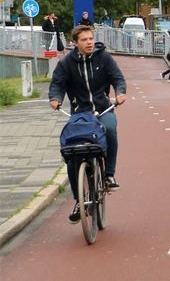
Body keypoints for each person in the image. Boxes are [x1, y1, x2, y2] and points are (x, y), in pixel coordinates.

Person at [48, 25, 127, 222]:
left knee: (109, 128)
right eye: (84, 40)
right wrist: (55, 98)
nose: (89, 42)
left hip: (102, 108)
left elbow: (117, 77)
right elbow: (57, 83)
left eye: (91, 38)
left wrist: (120, 92)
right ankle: (79, 200)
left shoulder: (104, 58)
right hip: (80, 113)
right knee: (72, 152)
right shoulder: (66, 63)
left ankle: (108, 174)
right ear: (75, 43)